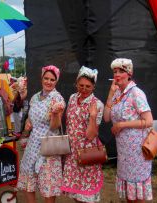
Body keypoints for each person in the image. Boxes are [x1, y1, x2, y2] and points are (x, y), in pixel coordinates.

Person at [103, 58, 153, 203]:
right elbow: (106, 118)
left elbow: (148, 121)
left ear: (129, 74)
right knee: (129, 196)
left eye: (121, 71)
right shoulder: (118, 94)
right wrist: (110, 94)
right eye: (115, 71)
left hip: (137, 152)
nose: (117, 74)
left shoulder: (136, 93)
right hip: (124, 152)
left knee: (137, 196)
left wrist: (121, 125)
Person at [17, 65, 65, 203]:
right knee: (28, 182)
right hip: (33, 145)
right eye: (46, 78)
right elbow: (30, 119)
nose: (49, 82)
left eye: (52, 79)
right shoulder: (34, 98)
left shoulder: (58, 99)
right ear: (41, 78)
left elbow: (55, 126)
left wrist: (55, 114)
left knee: (47, 184)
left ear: (56, 81)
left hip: (49, 146)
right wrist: (28, 123)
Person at [61, 66, 104, 203]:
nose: (84, 89)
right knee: (76, 192)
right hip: (72, 153)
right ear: (76, 83)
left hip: (87, 154)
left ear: (94, 87)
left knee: (87, 194)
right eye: (81, 85)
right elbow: (68, 123)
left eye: (88, 86)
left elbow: (91, 135)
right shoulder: (72, 98)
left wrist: (92, 116)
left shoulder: (97, 104)